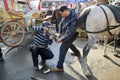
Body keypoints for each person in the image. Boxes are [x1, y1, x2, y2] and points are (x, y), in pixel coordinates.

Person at [50, 6, 81, 72]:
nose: (62, 15)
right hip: (67, 32)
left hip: (73, 34)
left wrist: (61, 39)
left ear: (65, 11)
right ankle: (77, 52)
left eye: (62, 14)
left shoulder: (74, 18)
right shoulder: (66, 13)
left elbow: (71, 33)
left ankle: (59, 67)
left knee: (63, 47)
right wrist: (60, 33)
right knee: (69, 44)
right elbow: (61, 23)